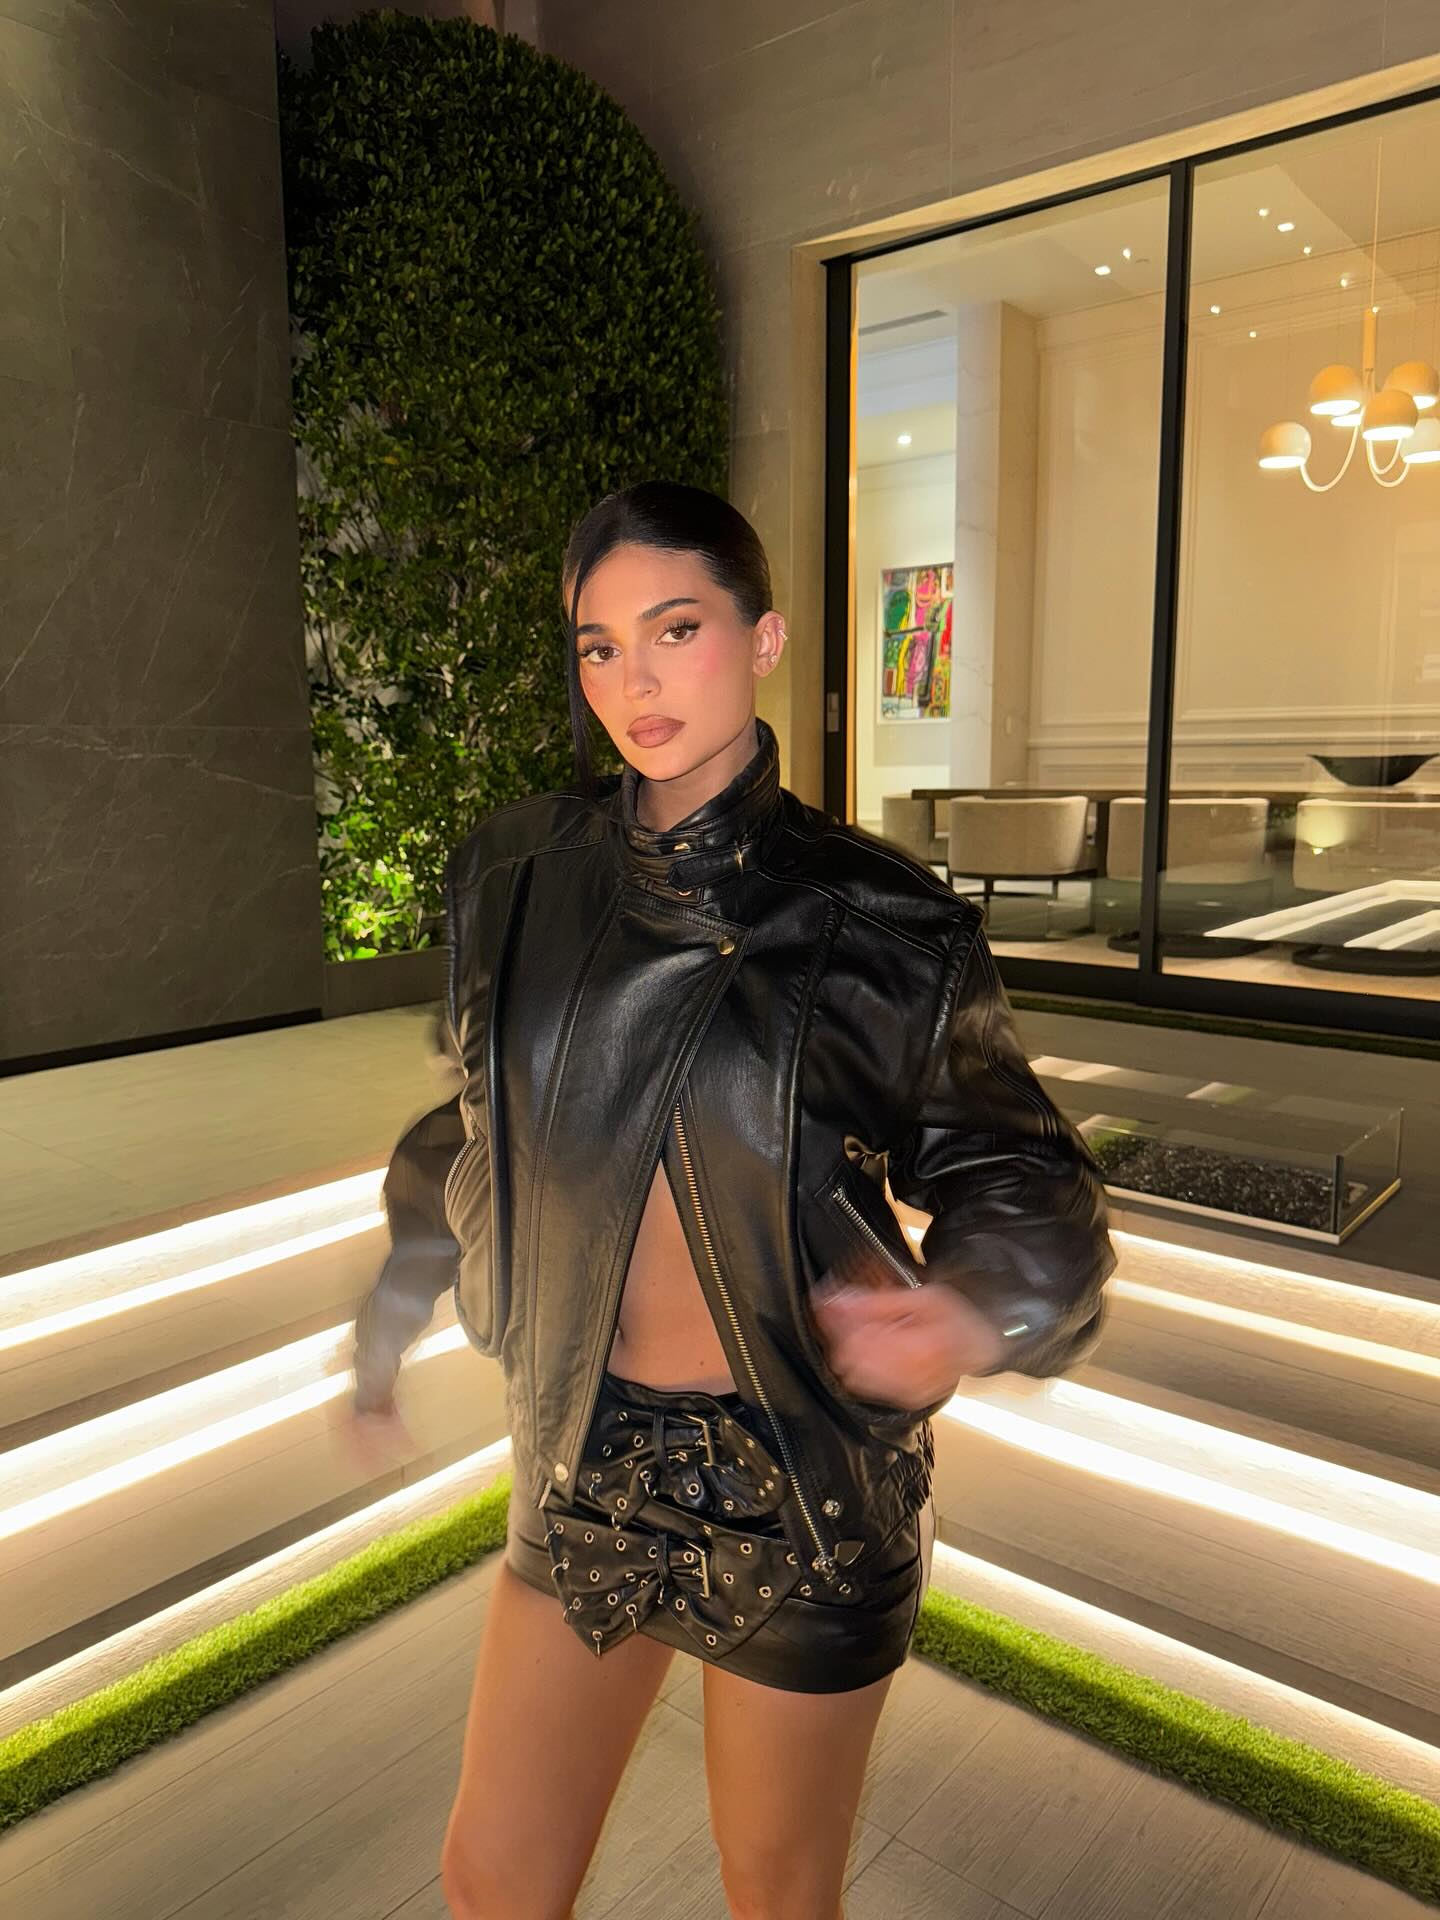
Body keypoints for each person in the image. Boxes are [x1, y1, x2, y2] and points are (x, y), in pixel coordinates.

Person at [346, 479, 1117, 1920]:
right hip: (583, 1455)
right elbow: (475, 1122)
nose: (633, 683)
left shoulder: (885, 922)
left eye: (676, 629)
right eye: (599, 646)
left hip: (803, 1488)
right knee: (491, 1876)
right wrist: (396, 1307)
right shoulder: (516, 877)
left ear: (763, 639)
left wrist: (967, 1309)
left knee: (776, 1891)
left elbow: (1021, 1173)